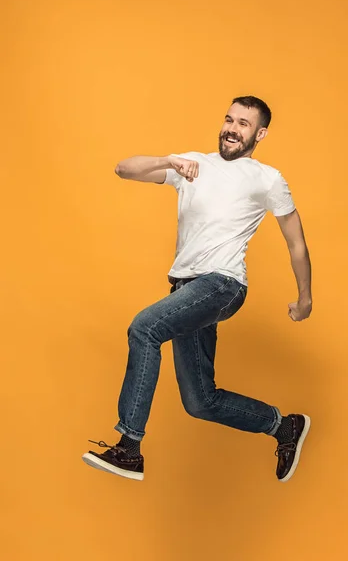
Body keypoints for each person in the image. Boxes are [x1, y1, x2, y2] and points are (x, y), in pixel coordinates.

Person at [82, 95, 312, 483]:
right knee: (200, 401)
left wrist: (305, 297)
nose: (232, 129)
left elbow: (296, 242)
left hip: (222, 284)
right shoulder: (193, 164)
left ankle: (129, 447)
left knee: (145, 328)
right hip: (185, 289)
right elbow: (124, 169)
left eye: (243, 123)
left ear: (260, 133)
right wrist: (168, 161)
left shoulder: (267, 178)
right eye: (229, 119)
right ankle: (282, 426)